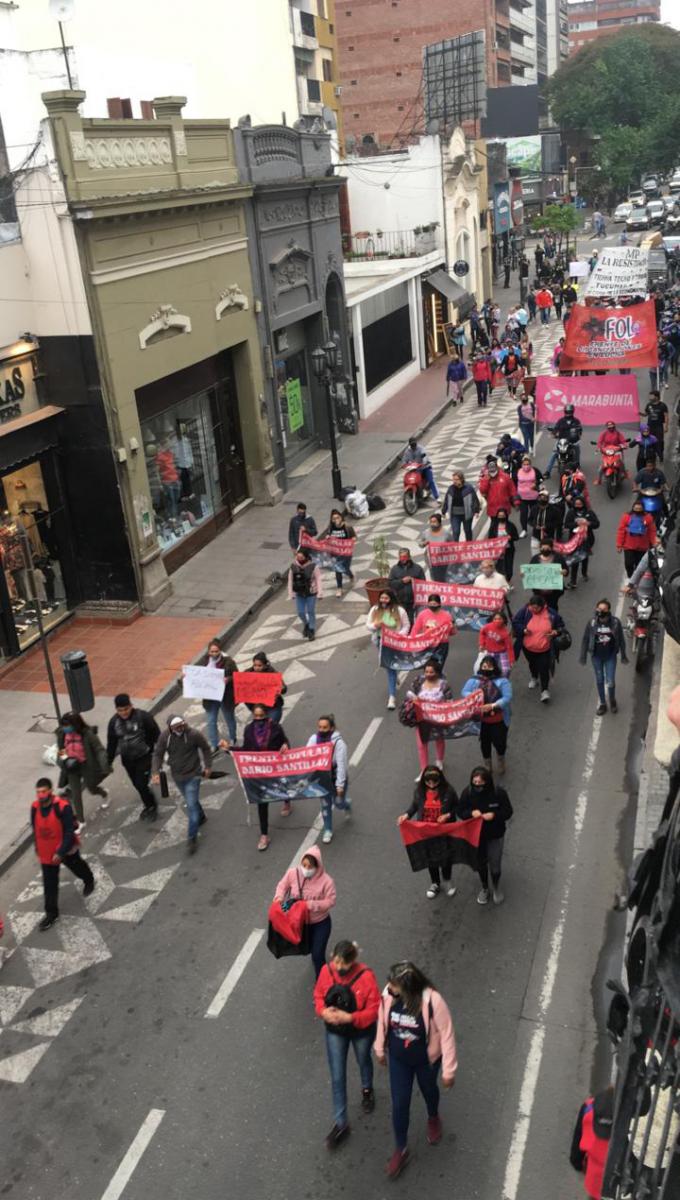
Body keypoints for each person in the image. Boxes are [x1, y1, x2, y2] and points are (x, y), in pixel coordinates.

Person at [374, 962, 458, 1180]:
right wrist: (379, 1047)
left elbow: (446, 1034)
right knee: (400, 1103)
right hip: (399, 1060)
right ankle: (401, 1148)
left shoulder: (433, 1001)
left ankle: (433, 1116)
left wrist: (448, 1070)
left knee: (429, 1091)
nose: (389, 988)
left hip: (426, 1061)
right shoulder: (389, 996)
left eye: (394, 985)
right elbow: (382, 1021)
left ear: (408, 987)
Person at [313, 940, 381, 1150]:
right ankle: (341, 1123)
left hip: (360, 1031)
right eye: (336, 962)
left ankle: (367, 1088)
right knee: (337, 1076)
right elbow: (318, 996)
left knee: (363, 1060)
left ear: (353, 961)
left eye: (343, 964)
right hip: (335, 1031)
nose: (339, 968)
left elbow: (373, 1010)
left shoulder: (367, 977)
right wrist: (323, 1012)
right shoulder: (327, 971)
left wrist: (349, 1018)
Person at [32, 777, 95, 931]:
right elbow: (35, 828)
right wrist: (37, 846)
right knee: (49, 884)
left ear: (51, 791)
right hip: (47, 853)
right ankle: (51, 914)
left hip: (65, 849)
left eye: (44, 791)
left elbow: (68, 831)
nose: (41, 795)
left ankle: (89, 880)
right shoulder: (34, 807)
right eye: (38, 792)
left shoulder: (63, 807)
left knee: (77, 866)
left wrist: (60, 851)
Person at [151, 715, 212, 854]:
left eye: (181, 725)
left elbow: (206, 748)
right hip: (178, 777)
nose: (180, 728)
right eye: (176, 727)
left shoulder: (194, 734)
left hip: (193, 775)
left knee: (191, 807)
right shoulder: (165, 737)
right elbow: (158, 754)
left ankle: (192, 837)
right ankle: (201, 816)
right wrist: (155, 771)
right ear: (170, 728)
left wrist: (207, 766)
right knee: (192, 802)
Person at [274, 846, 336, 978]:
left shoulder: (327, 881)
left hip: (320, 923)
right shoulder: (292, 873)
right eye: (304, 865)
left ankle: (323, 982)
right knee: (307, 949)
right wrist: (278, 897)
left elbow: (330, 901)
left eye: (310, 867)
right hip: (301, 922)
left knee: (317, 955)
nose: (306, 869)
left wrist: (310, 905)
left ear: (317, 866)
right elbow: (282, 886)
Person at [397, 767, 459, 898]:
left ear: (440, 780)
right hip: (426, 832)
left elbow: (458, 807)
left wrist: (447, 815)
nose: (431, 785)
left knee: (446, 858)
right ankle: (435, 883)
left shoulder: (449, 791)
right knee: (431, 858)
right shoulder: (420, 792)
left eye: (434, 782)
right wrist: (406, 815)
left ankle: (447, 880)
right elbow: (414, 806)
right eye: (428, 782)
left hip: (444, 832)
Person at [457, 765, 513, 905]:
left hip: (495, 835)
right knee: (481, 864)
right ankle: (485, 888)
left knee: (495, 865)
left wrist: (494, 815)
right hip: (476, 836)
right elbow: (460, 811)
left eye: (481, 783)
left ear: (487, 782)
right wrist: (471, 813)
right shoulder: (467, 793)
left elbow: (508, 812)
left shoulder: (499, 794)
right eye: (475, 783)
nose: (478, 786)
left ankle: (496, 887)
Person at [243, 703, 290, 851]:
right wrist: (228, 749)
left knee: (283, 787)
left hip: (276, 768)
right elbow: (244, 750)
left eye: (261, 716)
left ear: (266, 715)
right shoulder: (248, 730)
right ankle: (264, 835)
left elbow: (285, 742)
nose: (258, 719)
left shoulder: (275, 727)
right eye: (255, 716)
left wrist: (285, 746)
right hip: (260, 773)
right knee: (262, 802)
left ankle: (287, 801)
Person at [106, 694, 161, 821]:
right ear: (116, 710)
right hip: (127, 760)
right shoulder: (114, 723)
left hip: (145, 757)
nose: (124, 712)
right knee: (136, 784)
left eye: (126, 709)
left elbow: (156, 735)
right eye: (120, 710)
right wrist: (108, 762)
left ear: (131, 706)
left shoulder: (143, 717)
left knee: (141, 784)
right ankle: (148, 800)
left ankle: (151, 806)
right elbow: (112, 744)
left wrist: (159, 755)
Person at [56, 712, 110, 829]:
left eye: (67, 725)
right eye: (63, 726)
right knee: (76, 795)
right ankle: (81, 821)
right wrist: (64, 760)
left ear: (75, 724)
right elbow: (61, 750)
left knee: (92, 788)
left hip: (86, 765)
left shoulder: (88, 734)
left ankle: (103, 793)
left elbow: (99, 749)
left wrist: (105, 764)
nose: (65, 728)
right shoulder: (62, 734)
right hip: (71, 768)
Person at [462, 657, 512, 776]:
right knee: (485, 743)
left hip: (498, 719)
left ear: (494, 667)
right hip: (482, 720)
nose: (486, 668)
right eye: (484, 666)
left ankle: (501, 758)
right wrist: (476, 697)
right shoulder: (474, 680)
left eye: (489, 666)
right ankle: (487, 764)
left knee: (500, 742)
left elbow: (507, 697)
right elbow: (465, 692)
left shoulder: (502, 681)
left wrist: (493, 705)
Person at [579, 599, 628, 716]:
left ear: (608, 610)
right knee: (600, 680)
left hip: (610, 656)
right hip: (596, 656)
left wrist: (623, 655)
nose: (600, 611)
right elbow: (586, 639)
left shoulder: (615, 623)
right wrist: (583, 656)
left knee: (610, 681)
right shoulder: (591, 623)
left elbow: (621, 639)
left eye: (603, 609)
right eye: (599, 609)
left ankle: (612, 700)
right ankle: (602, 703)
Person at [512, 595, 565, 702]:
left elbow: (560, 625)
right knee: (532, 663)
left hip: (545, 648)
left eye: (537, 608)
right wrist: (523, 630)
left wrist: (555, 632)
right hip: (528, 647)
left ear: (542, 606)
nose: (534, 610)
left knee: (544, 668)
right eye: (532, 607)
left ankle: (544, 690)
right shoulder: (525, 611)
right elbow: (515, 622)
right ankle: (534, 677)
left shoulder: (551, 613)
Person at [307, 714, 350, 844]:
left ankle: (346, 804)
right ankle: (328, 830)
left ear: (331, 728)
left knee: (338, 803)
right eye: (320, 727)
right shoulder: (314, 739)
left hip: (336, 777)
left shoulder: (339, 743)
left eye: (325, 727)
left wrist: (340, 786)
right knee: (325, 805)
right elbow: (305, 755)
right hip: (322, 779)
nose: (321, 730)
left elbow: (342, 765)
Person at [405, 658, 453, 775]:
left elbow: (450, 701)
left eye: (431, 672)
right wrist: (414, 699)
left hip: (438, 718)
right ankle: (424, 770)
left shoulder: (444, 685)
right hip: (422, 719)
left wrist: (443, 707)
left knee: (439, 739)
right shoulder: (418, 682)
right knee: (422, 744)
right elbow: (410, 693)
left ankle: (439, 761)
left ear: (437, 672)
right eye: (426, 672)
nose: (428, 674)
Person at [366, 588, 410, 709]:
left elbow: (406, 625)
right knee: (389, 666)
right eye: (382, 598)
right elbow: (368, 625)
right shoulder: (375, 609)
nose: (383, 600)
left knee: (390, 667)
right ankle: (394, 678)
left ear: (391, 599)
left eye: (386, 598)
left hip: (394, 643)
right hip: (380, 642)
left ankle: (392, 697)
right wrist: (375, 625)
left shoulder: (400, 611)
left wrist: (398, 636)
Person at [570, 1086, 614, 1200]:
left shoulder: (589, 1107)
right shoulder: (627, 1116)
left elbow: (578, 1137)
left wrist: (577, 1163)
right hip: (618, 1177)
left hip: (594, 1177)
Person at [201, 640, 238, 751]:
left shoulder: (229, 662)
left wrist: (228, 679)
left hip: (225, 696)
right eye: (211, 651)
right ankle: (214, 743)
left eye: (216, 651)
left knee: (229, 718)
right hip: (210, 697)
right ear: (208, 651)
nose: (214, 654)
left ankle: (232, 739)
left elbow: (237, 675)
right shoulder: (204, 662)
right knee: (211, 721)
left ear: (220, 651)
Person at [564, 496, 600, 588]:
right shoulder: (571, 513)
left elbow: (596, 524)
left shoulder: (589, 513)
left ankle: (584, 573)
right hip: (574, 540)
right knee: (575, 560)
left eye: (580, 504)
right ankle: (573, 581)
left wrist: (588, 523)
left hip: (587, 539)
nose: (578, 506)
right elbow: (567, 524)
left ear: (583, 504)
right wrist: (576, 523)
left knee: (584, 557)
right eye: (576, 504)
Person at [288, 546, 323, 641]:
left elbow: (318, 579)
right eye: (298, 558)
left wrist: (320, 592)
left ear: (306, 557)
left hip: (311, 592)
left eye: (301, 558)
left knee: (311, 611)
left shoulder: (313, 566)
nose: (299, 560)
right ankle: (306, 623)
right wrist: (290, 592)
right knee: (300, 612)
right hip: (299, 593)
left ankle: (311, 629)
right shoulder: (293, 566)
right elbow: (290, 580)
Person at [616, 499, 657, 577]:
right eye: (636, 509)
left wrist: (654, 542)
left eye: (639, 509)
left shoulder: (648, 518)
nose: (637, 510)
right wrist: (619, 545)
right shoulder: (626, 517)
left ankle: (637, 579)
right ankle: (630, 577)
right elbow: (621, 531)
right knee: (628, 564)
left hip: (642, 547)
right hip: (629, 546)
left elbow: (652, 531)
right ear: (633, 508)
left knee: (640, 566)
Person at [411, 594, 454, 667]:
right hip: (427, 644)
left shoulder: (447, 615)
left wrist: (452, 627)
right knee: (428, 667)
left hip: (442, 645)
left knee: (438, 667)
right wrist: (412, 642)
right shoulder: (423, 614)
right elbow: (415, 629)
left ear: (439, 604)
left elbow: (452, 632)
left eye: (434, 604)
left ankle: (439, 677)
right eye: (430, 604)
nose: (432, 606)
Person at [245, 651, 287, 723]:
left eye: (259, 665)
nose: (256, 668)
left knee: (270, 727)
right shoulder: (247, 674)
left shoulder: (272, 673)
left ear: (264, 665)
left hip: (273, 707)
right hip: (258, 709)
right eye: (255, 665)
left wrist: (281, 688)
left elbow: (284, 688)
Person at [322, 509, 356, 598]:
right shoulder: (331, 527)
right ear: (332, 519)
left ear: (341, 517)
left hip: (345, 552)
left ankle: (350, 575)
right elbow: (328, 536)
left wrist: (351, 541)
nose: (336, 519)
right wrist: (327, 537)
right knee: (338, 569)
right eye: (334, 518)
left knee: (345, 568)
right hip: (335, 553)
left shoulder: (347, 527)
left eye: (338, 517)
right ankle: (339, 588)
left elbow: (354, 537)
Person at [388, 548, 426, 626]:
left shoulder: (417, 568)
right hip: (399, 601)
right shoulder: (394, 569)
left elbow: (423, 584)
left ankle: (409, 636)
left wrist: (413, 581)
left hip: (412, 601)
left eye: (405, 557)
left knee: (410, 621)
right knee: (399, 621)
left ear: (409, 557)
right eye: (401, 557)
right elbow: (390, 583)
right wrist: (401, 581)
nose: (403, 559)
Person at [441, 470, 480, 541]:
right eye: (453, 479)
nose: (454, 481)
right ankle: (456, 547)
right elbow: (446, 500)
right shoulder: (451, 489)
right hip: (455, 515)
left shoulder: (469, 488)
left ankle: (469, 545)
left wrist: (476, 511)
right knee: (456, 532)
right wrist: (443, 511)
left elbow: (474, 499)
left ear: (461, 479)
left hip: (467, 514)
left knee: (467, 531)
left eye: (456, 479)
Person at [529, 539, 568, 609]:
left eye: (547, 548)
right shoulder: (535, 559)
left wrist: (564, 572)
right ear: (540, 548)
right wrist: (524, 574)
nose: (545, 550)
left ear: (551, 548)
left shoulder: (558, 558)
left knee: (552, 608)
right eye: (543, 548)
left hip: (554, 592)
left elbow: (566, 571)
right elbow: (529, 572)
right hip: (539, 591)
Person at [545, 405, 583, 476]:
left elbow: (580, 430)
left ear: (573, 412)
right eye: (567, 412)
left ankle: (577, 466)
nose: (568, 413)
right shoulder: (561, 421)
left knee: (577, 450)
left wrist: (578, 435)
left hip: (573, 441)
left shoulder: (576, 421)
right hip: (561, 441)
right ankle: (548, 471)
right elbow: (556, 429)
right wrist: (553, 434)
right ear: (565, 412)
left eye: (570, 412)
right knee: (554, 453)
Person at [401, 437, 439, 501]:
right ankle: (415, 492)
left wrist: (424, 463)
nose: (413, 446)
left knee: (431, 480)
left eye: (414, 444)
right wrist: (404, 465)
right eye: (412, 445)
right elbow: (404, 460)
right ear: (409, 445)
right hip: (414, 469)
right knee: (407, 479)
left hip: (424, 467)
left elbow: (424, 456)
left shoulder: (421, 449)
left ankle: (437, 497)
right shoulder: (407, 452)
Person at [478, 610, 515, 676]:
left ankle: (503, 682)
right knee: (488, 670)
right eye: (495, 619)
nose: (497, 621)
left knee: (506, 670)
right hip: (490, 652)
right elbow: (482, 633)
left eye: (499, 619)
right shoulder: (488, 626)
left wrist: (511, 660)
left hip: (502, 652)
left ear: (503, 620)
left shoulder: (505, 633)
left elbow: (509, 647)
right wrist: (481, 644)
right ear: (492, 619)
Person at [489, 507, 519, 584]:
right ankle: (501, 583)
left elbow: (516, 537)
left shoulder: (511, 525)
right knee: (499, 567)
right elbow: (490, 539)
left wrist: (510, 537)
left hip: (509, 550)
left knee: (509, 568)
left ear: (506, 516)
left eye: (503, 515)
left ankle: (508, 580)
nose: (501, 517)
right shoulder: (494, 526)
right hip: (497, 551)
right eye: (499, 515)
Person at [517, 455, 543, 537]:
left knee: (535, 513)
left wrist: (536, 483)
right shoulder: (518, 471)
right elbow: (514, 481)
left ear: (530, 464)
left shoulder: (535, 470)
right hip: (522, 497)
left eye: (528, 464)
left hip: (533, 496)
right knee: (523, 514)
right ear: (522, 464)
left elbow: (541, 478)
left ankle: (536, 528)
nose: (526, 466)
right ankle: (524, 530)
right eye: (524, 464)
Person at [419, 511, 447, 583]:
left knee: (443, 577)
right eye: (431, 522)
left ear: (439, 523)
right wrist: (423, 543)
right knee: (434, 577)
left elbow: (453, 545)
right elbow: (420, 543)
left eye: (434, 522)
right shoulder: (426, 532)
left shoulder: (446, 533)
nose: (432, 524)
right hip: (430, 560)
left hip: (443, 561)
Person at [644, 390, 668, 458]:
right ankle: (653, 454)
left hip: (659, 427)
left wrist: (666, 426)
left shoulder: (663, 405)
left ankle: (660, 454)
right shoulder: (648, 405)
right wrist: (639, 413)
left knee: (659, 441)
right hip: (650, 427)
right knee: (650, 441)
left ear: (656, 397)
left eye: (651, 396)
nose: (650, 397)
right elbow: (646, 414)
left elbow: (666, 416)